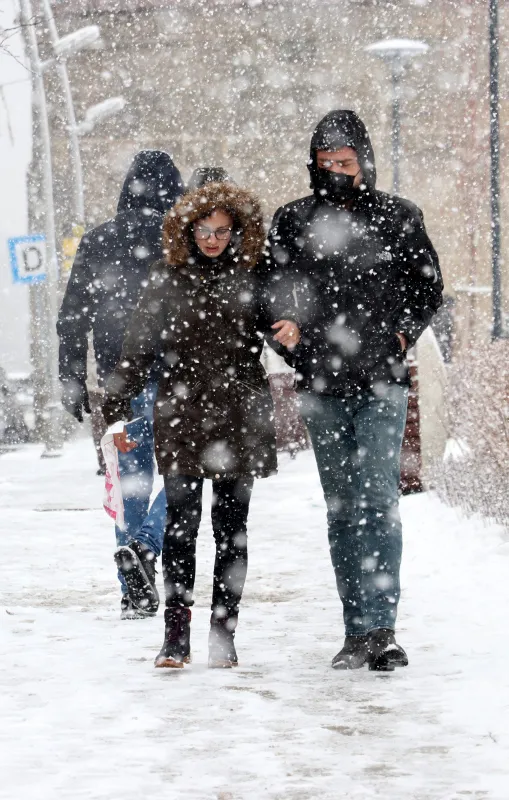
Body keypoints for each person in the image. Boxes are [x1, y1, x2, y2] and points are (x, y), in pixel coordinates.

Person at [264, 110, 443, 671]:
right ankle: (355, 630)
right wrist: (291, 340)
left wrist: (401, 334)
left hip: (381, 382)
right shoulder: (293, 220)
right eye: (326, 162)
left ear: (364, 160)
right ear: (313, 164)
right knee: (342, 510)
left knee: (378, 501)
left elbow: (427, 288)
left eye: (345, 161)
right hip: (320, 385)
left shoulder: (398, 216)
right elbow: (271, 292)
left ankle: (382, 629)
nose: (336, 171)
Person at [102, 181, 299, 668]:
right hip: (182, 412)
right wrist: (116, 410)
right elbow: (137, 348)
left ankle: (223, 635)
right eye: (204, 230)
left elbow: (281, 332)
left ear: (238, 232)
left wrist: (294, 333)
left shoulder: (254, 274)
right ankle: (175, 636)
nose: (212, 240)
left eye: (223, 231)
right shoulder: (166, 277)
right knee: (180, 528)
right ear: (186, 230)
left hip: (240, 413)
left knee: (232, 530)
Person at [57, 150, 183, 619]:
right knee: (189, 472)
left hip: (120, 381)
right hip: (176, 377)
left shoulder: (98, 240)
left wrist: (72, 376)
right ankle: (146, 546)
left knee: (130, 481)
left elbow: (72, 318)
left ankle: (134, 591)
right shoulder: (182, 239)